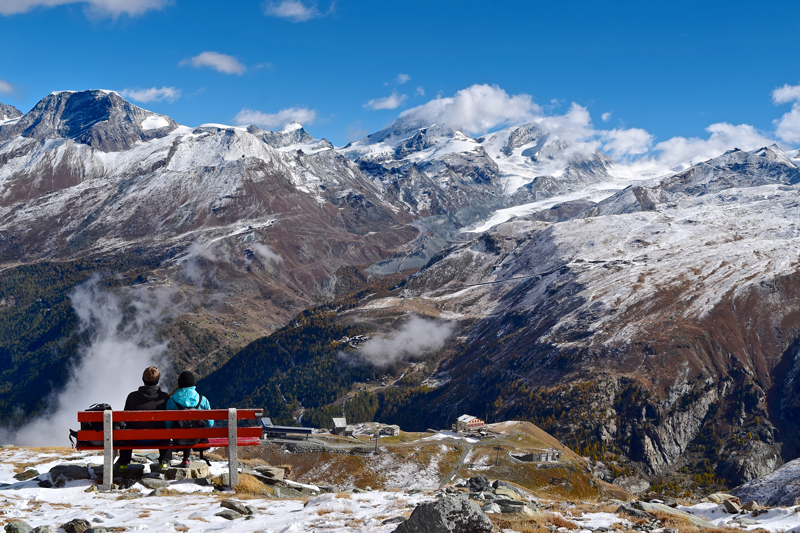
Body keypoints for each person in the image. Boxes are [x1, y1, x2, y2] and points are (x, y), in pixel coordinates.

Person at [117, 366, 172, 470]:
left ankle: (123, 461)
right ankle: (164, 460)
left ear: (143, 379)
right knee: (165, 429)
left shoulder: (132, 397)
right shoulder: (165, 397)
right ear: (157, 380)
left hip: (135, 438)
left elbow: (124, 420)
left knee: (126, 430)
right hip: (159, 438)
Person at [166, 370, 213, 467]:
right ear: (193, 383)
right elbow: (210, 424)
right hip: (197, 438)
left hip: (178, 439)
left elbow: (167, 425)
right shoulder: (202, 399)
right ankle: (186, 459)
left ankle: (185, 459)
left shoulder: (172, 401)